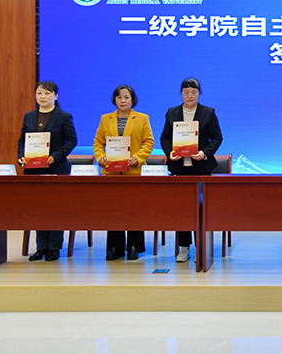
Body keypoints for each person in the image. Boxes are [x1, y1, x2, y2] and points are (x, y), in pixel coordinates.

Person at [160, 78, 223, 263]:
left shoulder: (208, 112)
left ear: (199, 94)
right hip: (179, 168)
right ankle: (184, 247)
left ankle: (201, 247)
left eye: (193, 92)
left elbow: (217, 138)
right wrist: (170, 152)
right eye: (186, 92)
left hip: (201, 168)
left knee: (201, 210)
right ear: (181, 94)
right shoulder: (172, 112)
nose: (189, 96)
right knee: (182, 209)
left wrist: (204, 153)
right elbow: (164, 138)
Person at [17, 81, 77, 262]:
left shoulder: (63, 116)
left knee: (55, 208)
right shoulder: (29, 116)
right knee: (38, 208)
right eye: (39, 93)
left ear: (55, 96)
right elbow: (22, 140)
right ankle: (40, 247)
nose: (42, 97)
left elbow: (72, 140)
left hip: (55, 168)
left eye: (47, 93)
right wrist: (21, 156)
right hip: (33, 169)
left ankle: (54, 248)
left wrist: (56, 156)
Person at [93, 85, 154, 261]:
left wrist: (138, 158)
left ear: (132, 100)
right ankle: (114, 248)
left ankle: (134, 247)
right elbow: (98, 142)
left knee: (134, 211)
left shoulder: (142, 118)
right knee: (114, 211)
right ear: (114, 100)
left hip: (133, 172)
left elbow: (149, 142)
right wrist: (101, 156)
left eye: (127, 97)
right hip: (112, 173)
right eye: (119, 97)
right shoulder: (106, 118)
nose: (123, 101)